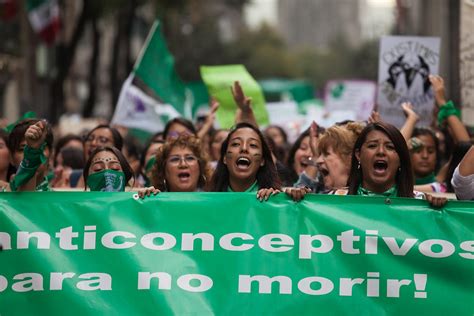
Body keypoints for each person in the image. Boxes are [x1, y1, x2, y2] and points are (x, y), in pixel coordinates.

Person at [347, 122, 446, 207]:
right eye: (372, 146)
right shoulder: (335, 200)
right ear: (358, 155)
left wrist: (436, 213)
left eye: (390, 147)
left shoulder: (420, 203)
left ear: (400, 158)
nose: (381, 151)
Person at [210, 122, 282, 201]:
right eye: (236, 144)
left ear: (262, 160)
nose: (244, 148)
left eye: (253, 145)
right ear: (224, 158)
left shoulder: (274, 198)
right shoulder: (208, 199)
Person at [137, 135, 210, 197]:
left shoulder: (214, 201)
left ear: (200, 167)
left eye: (190, 158)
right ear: (163, 171)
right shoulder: (153, 200)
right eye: (175, 159)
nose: (183, 164)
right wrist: (146, 200)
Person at [7, 119, 53, 191]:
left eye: (41, 148)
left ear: (51, 154)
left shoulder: (59, 201)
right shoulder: (2, 200)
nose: (35, 155)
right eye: (22, 149)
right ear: (11, 157)